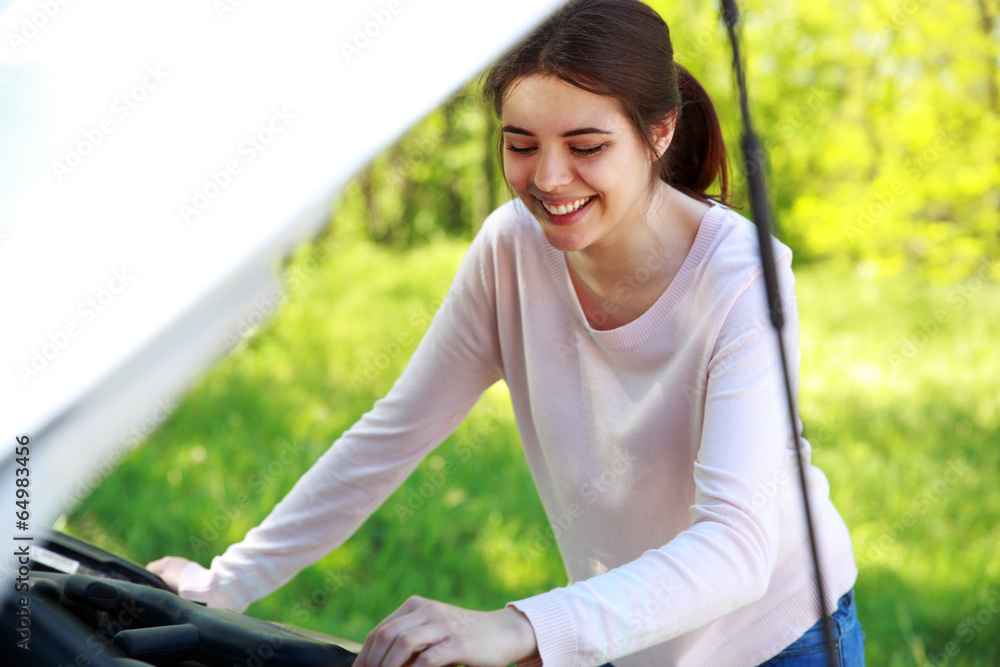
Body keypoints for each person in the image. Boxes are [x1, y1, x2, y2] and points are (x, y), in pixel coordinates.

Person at [148, 1, 864, 665]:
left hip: (781, 633)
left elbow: (737, 546)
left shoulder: (740, 274)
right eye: (521, 144)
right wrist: (227, 584)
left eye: (585, 146)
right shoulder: (512, 251)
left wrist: (519, 625)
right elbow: (393, 433)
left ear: (659, 132)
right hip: (628, 631)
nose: (549, 179)